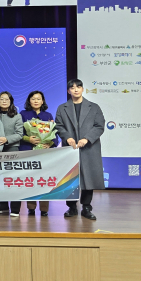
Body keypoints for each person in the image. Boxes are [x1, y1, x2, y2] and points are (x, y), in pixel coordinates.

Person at [55, 79, 105, 221]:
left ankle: (86, 207)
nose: (76, 89)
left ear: (83, 89)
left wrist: (87, 138)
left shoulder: (94, 107)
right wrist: (67, 137)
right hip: (70, 148)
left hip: (89, 147)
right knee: (71, 177)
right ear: (68, 91)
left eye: (78, 87)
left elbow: (99, 126)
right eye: (72, 87)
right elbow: (59, 125)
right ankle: (71, 207)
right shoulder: (62, 108)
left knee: (89, 177)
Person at [14, 90, 56, 217]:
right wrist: (29, 139)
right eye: (33, 99)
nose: (36, 101)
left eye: (38, 99)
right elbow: (19, 133)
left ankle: (44, 209)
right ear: (29, 101)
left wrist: (50, 143)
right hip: (28, 150)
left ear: (42, 101)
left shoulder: (48, 115)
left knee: (44, 179)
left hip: (44, 152)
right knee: (30, 179)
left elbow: (54, 133)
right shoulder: (22, 114)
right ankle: (31, 207)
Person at [0, 91, 23, 215]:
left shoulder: (17, 116)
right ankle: (2, 205)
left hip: (12, 149)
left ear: (11, 101)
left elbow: (20, 134)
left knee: (13, 179)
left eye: (7, 99)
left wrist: (6, 139)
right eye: (1, 99)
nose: (4, 101)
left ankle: (15, 208)